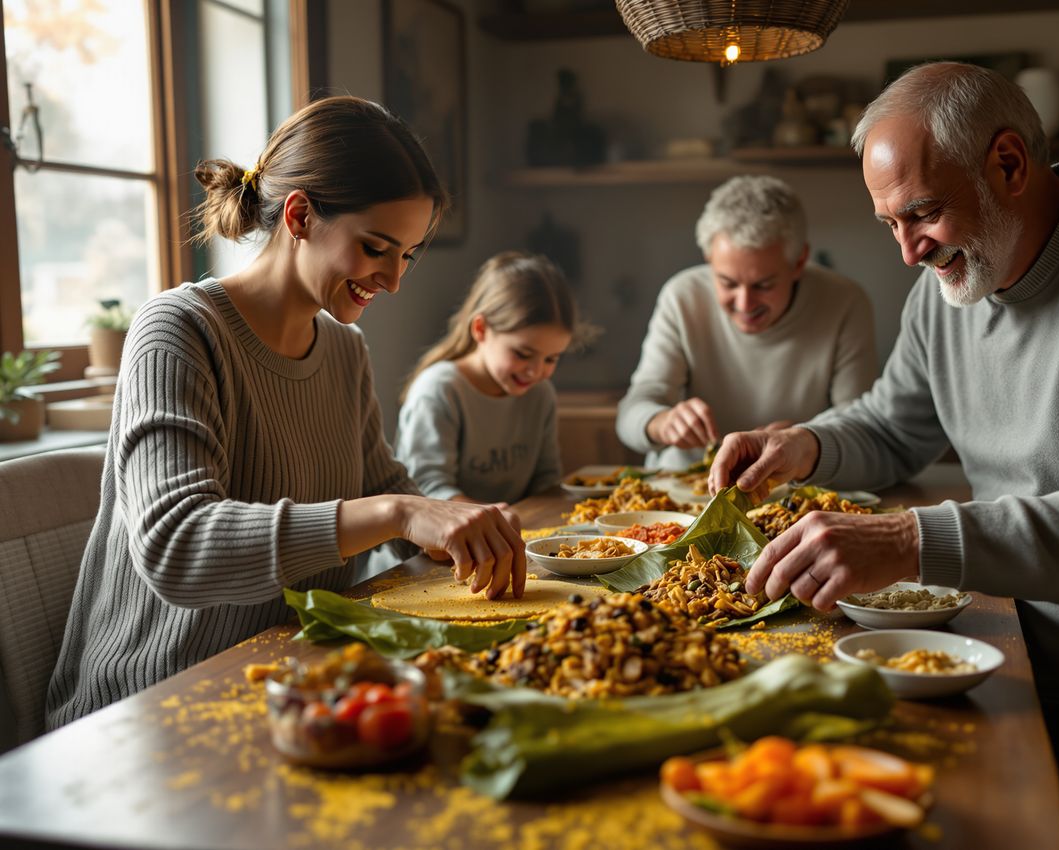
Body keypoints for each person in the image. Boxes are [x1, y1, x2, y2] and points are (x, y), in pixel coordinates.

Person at [709, 63, 1059, 849]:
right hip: (1014, 657)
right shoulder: (949, 283)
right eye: (889, 223)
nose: (906, 252)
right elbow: (894, 427)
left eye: (921, 213)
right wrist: (806, 443)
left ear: (1008, 163)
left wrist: (909, 542)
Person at [47, 96, 526, 729]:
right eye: (376, 247)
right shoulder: (178, 331)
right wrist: (402, 513)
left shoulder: (344, 349)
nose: (393, 280)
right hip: (149, 709)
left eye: (405, 255)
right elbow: (176, 545)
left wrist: (458, 522)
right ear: (299, 215)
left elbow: (380, 487)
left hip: (291, 681)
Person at [615, 175, 877, 471]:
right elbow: (631, 412)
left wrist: (806, 438)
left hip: (791, 485)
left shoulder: (845, 302)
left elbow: (861, 425)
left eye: (763, 285)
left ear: (799, 262)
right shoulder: (682, 296)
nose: (744, 304)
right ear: (709, 257)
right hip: (684, 484)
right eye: (727, 282)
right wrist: (661, 422)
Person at [392, 251, 592, 505]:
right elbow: (427, 488)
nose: (536, 371)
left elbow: (545, 483)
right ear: (481, 329)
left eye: (551, 359)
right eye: (522, 353)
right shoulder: (440, 390)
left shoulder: (540, 393)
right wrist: (493, 523)